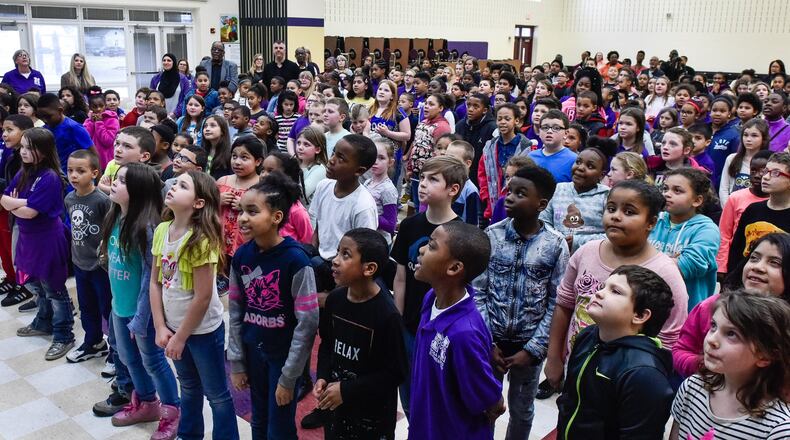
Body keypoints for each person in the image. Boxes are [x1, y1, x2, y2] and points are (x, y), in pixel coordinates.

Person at [544, 180, 689, 395]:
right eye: (611, 209)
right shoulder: (586, 252)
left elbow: (669, 338)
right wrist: (554, 357)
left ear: (651, 222)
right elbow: (564, 305)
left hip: (624, 381)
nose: (616, 216)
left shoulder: (664, 271)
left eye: (629, 212)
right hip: (577, 365)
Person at [473, 165, 568, 438]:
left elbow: (556, 301)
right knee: (486, 404)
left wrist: (534, 348)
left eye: (520, 193)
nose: (510, 197)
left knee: (522, 409)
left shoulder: (555, 244)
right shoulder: (493, 235)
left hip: (530, 346)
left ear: (542, 204)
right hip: (491, 343)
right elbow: (479, 291)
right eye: (510, 191)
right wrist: (487, 342)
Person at [228, 171, 319, 439]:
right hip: (254, 352)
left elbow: (308, 323)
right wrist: (237, 361)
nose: (243, 218)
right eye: (242, 210)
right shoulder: (242, 255)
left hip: (283, 358)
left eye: (252, 211)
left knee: (279, 427)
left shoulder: (296, 261)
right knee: (259, 420)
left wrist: (289, 377)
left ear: (276, 218)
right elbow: (235, 311)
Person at [150, 170, 239, 440]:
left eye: (183, 185)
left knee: (217, 395)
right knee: (188, 387)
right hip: (174, 329)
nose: (173, 187)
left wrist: (180, 337)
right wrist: (160, 326)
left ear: (199, 203)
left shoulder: (201, 240)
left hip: (202, 333)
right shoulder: (162, 229)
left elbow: (202, 298)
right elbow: (155, 283)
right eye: (175, 183)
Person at [101, 163, 180, 437]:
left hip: (142, 312)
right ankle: (147, 402)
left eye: (122, 181)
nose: (114, 182)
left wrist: (141, 318)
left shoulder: (147, 227)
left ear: (138, 191)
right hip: (119, 306)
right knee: (127, 357)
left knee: (153, 361)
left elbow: (151, 279)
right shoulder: (115, 216)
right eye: (116, 178)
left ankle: (172, 411)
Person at [408, 221, 505, 439]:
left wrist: (494, 401)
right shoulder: (431, 298)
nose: (421, 250)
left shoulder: (464, 333)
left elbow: (490, 400)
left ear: (454, 268)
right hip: (425, 426)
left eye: (432, 246)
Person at [557, 265, 676, 439]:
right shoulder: (588, 336)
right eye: (603, 286)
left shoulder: (644, 374)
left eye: (615, 292)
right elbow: (569, 399)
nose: (599, 293)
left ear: (640, 315)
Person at [314, 228, 407, 439]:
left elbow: (395, 373)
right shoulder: (335, 300)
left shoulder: (387, 315)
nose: (335, 260)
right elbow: (327, 344)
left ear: (369, 268)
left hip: (371, 418)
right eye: (337, 252)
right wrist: (322, 376)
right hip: (337, 410)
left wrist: (347, 391)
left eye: (346, 255)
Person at [392, 156, 464, 418]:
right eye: (421, 177)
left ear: (452, 190)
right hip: (410, 324)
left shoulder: (460, 232)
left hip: (443, 328)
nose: (422, 184)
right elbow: (400, 276)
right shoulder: (410, 225)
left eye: (432, 179)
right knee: (409, 394)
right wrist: (398, 319)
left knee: (438, 396)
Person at [670, 292, 790, 439]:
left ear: (765, 356)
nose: (711, 340)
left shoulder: (778, 429)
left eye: (732, 334)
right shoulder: (691, 388)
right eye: (713, 326)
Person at [674, 232, 790, 378]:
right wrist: (708, 366)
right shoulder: (713, 306)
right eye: (754, 258)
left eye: (775, 263)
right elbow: (681, 350)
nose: (758, 267)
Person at [2, 128, 73, 359]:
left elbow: (30, 213)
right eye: (21, 147)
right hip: (28, 238)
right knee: (34, 284)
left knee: (54, 289)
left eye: (28, 148)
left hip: (47, 239)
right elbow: (6, 201)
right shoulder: (24, 172)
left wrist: (18, 203)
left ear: (42, 151)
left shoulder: (50, 177)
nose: (22, 151)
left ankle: (64, 335)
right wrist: (20, 202)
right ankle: (43, 321)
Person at [308, 134, 378, 294]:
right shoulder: (324, 186)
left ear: (359, 171)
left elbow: (364, 252)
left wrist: (335, 294)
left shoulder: (363, 205)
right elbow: (318, 229)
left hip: (345, 274)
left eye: (341, 158)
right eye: (333, 153)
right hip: (320, 262)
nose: (331, 160)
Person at [63, 149, 112, 363]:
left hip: (100, 267)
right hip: (80, 263)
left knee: (108, 309)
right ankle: (93, 342)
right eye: (70, 170)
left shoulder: (102, 200)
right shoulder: (69, 198)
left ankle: (117, 353)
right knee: (86, 306)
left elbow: (110, 231)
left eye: (80, 171)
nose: (74, 175)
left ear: (94, 173)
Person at [649, 168, 720, 310]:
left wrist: (644, 259)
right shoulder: (654, 219)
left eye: (677, 191)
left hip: (687, 310)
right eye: (665, 188)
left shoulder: (706, 230)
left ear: (697, 200)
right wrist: (670, 261)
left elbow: (688, 265)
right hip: (650, 305)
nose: (667, 194)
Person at [540, 140, 613, 253]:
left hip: (590, 256)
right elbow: (543, 221)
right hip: (555, 252)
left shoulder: (607, 196)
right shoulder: (558, 189)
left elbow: (611, 234)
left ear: (601, 175)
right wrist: (557, 239)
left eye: (590, 166)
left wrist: (577, 241)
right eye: (578, 162)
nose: (580, 168)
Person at [727, 152, 790, 272]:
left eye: (776, 173)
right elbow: (737, 250)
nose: (765, 177)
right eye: (766, 171)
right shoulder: (753, 209)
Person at [715, 150, 771, 274]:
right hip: (738, 259)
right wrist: (721, 267)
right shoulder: (736, 197)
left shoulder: (776, 201)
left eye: (763, 171)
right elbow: (724, 234)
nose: (757, 175)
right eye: (753, 170)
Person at [217, 135, 264, 259]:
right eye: (234, 156)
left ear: (258, 161)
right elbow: (207, 209)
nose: (237, 162)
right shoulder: (222, 182)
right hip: (218, 244)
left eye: (244, 157)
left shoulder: (262, 186)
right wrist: (217, 200)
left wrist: (245, 208)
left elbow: (267, 215)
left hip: (247, 246)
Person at [36, 93, 95, 180]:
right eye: (41, 117)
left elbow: (93, 154)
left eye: (48, 116)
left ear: (60, 111)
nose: (44, 120)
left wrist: (98, 182)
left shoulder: (75, 128)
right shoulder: (44, 129)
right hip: (53, 176)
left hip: (74, 179)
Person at [260, 151, 313, 245]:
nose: (263, 175)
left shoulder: (296, 210)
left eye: (270, 171)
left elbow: (307, 241)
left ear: (287, 176)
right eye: (262, 170)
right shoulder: (260, 202)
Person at [719, 118, 769, 206]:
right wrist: (728, 209)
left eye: (754, 135)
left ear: (763, 139)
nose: (748, 139)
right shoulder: (731, 158)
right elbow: (724, 188)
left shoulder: (769, 162)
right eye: (745, 135)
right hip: (732, 207)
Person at [98, 126, 156, 195]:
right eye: (117, 143)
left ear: (144, 156)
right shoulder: (115, 165)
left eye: (127, 146)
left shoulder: (148, 182)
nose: (118, 149)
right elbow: (100, 185)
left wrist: (109, 189)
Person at [364, 136, 398, 245]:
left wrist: (367, 214)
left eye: (381, 158)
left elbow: (390, 224)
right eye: (373, 157)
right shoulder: (367, 182)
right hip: (366, 237)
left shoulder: (388, 189)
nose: (375, 162)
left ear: (390, 162)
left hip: (379, 242)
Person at [529, 109, 578, 183]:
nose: (549, 131)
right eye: (545, 127)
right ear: (539, 131)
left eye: (556, 128)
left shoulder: (574, 160)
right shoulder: (530, 157)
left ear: (566, 133)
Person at [444, 140, 481, 226]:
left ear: (467, 163)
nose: (448, 162)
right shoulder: (443, 182)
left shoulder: (470, 190)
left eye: (452, 159)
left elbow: (472, 224)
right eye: (446, 157)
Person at [83, 90, 120, 170]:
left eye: (101, 106)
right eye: (95, 106)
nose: (98, 109)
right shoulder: (88, 121)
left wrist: (99, 123)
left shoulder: (112, 120)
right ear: (90, 107)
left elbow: (108, 140)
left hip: (107, 163)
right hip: (91, 161)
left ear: (105, 105)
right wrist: (91, 122)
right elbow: (85, 138)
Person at [202, 115, 233, 179]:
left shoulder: (230, 154)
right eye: (205, 126)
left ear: (222, 131)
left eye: (212, 125)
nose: (207, 129)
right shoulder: (202, 151)